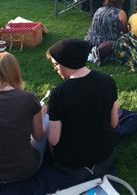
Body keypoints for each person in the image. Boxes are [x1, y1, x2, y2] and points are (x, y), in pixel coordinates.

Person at [47, 38, 119, 180]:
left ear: (66, 63)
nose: (55, 69)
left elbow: (53, 140)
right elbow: (114, 123)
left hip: (72, 166)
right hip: (105, 157)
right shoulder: (108, 81)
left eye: (55, 65)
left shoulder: (59, 93)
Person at [0, 52, 46, 183]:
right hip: (24, 171)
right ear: (14, 71)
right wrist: (41, 113)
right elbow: (39, 135)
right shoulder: (28, 98)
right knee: (46, 119)